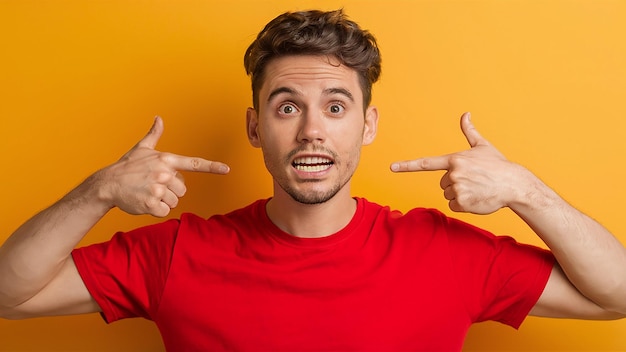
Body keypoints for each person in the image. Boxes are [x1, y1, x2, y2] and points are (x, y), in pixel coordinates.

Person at [1, 8, 625, 351]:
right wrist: (99, 191)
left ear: (367, 125)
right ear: (255, 128)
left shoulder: (444, 253)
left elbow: (617, 297)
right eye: (286, 106)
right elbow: (8, 297)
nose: (311, 132)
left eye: (335, 106)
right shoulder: (176, 254)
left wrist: (525, 190)